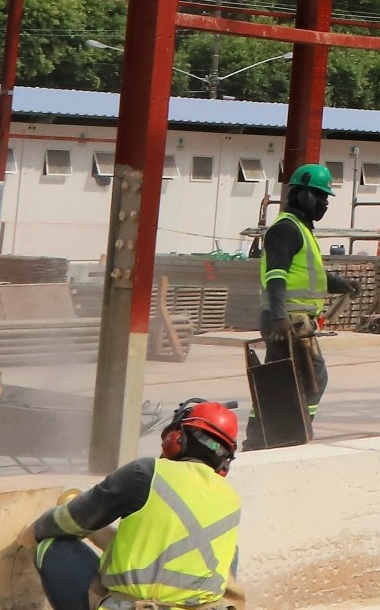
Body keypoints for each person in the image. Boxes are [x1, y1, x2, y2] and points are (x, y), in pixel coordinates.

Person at [30, 399, 242, 610]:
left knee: (53, 546)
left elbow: (71, 520)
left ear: (176, 437)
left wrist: (34, 531)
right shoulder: (231, 500)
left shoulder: (144, 473)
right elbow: (158, 552)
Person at [260, 164, 355, 424]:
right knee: (311, 377)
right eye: (322, 197)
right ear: (305, 196)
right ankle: (293, 429)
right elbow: (276, 276)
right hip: (288, 320)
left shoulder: (300, 230)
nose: (324, 204)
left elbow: (308, 278)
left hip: (291, 319)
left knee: (280, 379)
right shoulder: (286, 230)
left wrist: (341, 284)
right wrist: (279, 317)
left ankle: (266, 432)